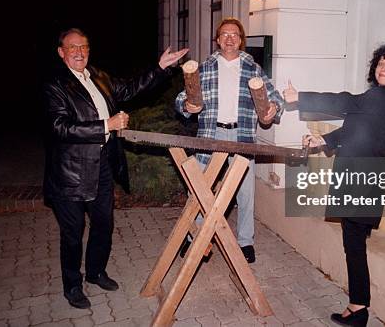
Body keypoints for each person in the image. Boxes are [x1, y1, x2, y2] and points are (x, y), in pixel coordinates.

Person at [43, 28, 188, 309]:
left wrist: (159, 68)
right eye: (72, 47)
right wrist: (106, 126)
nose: (79, 52)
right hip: (71, 173)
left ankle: (96, 272)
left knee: (104, 225)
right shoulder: (55, 84)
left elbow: (130, 88)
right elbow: (59, 127)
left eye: (83, 46)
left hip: (102, 167)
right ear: (61, 52)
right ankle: (72, 285)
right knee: (72, 233)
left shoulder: (98, 76)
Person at [283, 44, 385, 327]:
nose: (383, 68)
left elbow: (347, 103)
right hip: (361, 175)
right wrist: (325, 141)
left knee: (354, 242)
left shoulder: (384, 96)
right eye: (381, 63)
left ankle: (359, 309)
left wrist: (301, 97)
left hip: (363, 178)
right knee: (353, 241)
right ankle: (358, 306)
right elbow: (355, 125)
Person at [175, 17, 283, 263]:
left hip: (242, 135)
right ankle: (196, 239)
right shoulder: (205, 67)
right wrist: (187, 105)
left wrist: (274, 107)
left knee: (245, 192)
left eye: (235, 34)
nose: (230, 38)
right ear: (217, 40)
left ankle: (246, 242)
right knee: (202, 189)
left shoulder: (252, 68)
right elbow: (181, 98)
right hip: (211, 135)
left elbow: (275, 96)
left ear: (241, 40)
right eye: (224, 34)